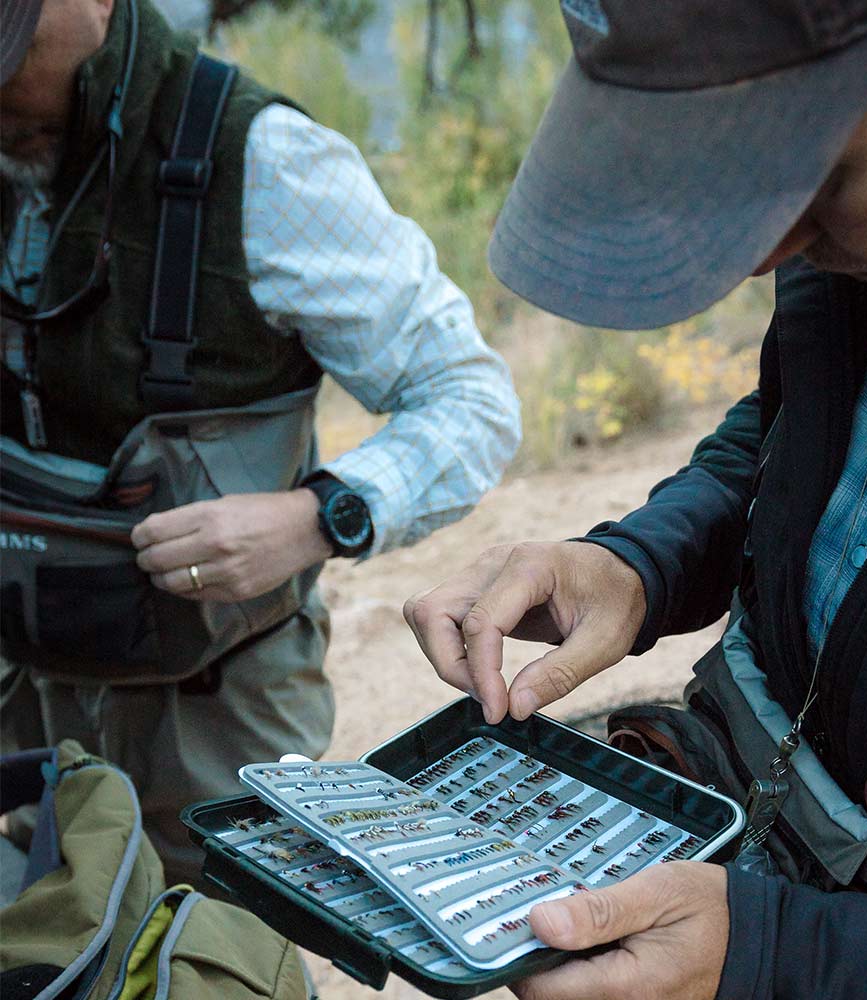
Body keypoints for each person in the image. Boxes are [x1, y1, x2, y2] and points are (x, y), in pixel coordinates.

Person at [404, 1, 867, 997]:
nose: (765, 250)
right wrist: (641, 561)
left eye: (813, 166)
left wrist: (777, 961)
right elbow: (790, 430)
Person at [0, 0, 520, 886]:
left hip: (216, 711)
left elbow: (470, 400)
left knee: (226, 965)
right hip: (22, 687)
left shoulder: (269, 161)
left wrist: (318, 516)